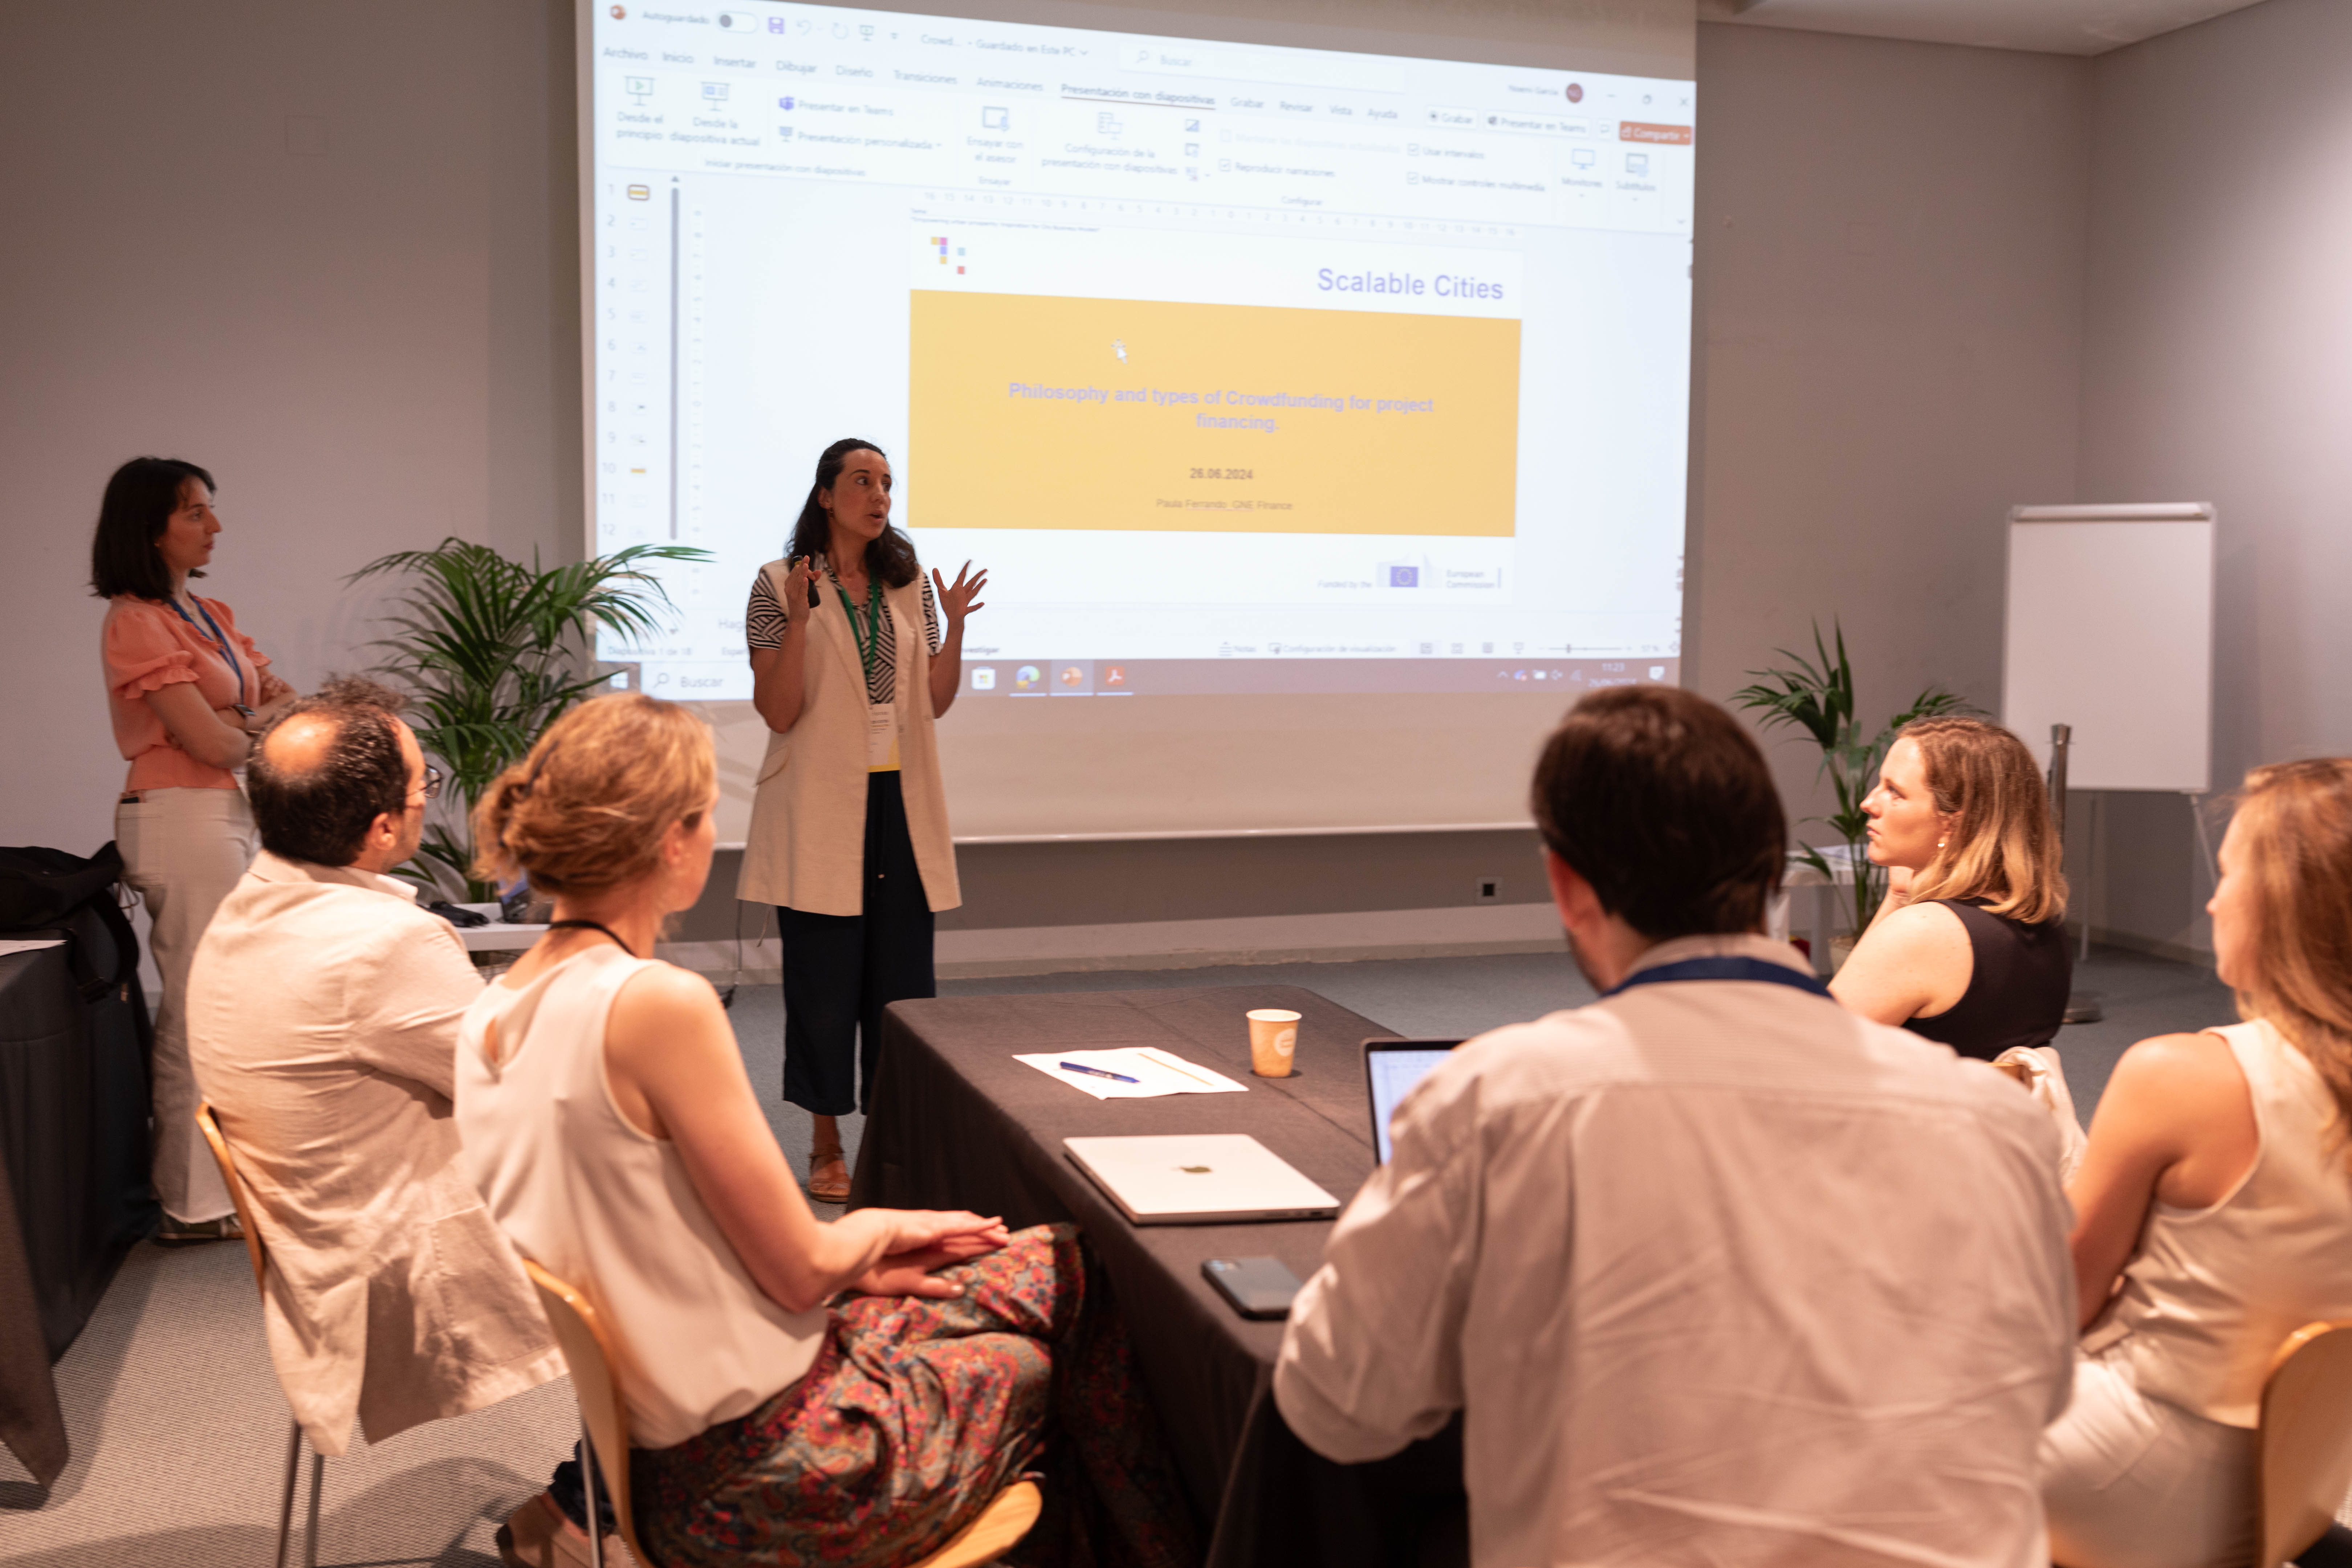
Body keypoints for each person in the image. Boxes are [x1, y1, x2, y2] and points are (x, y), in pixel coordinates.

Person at [1274, 686, 2076, 1567]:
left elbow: (1339, 1405)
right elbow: (2039, 1396)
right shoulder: (2000, 1129)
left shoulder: (1500, 1099)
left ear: (1567, 887)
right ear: (1774, 875)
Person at [454, 694, 1195, 1568]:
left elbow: (657, 1231)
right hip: (779, 1469)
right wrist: (876, 1230)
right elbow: (800, 1273)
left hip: (657, 1458)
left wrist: (859, 1261)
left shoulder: (491, 1012)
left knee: (1056, 1264)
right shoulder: (653, 1004)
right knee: (1060, 1322)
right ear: (673, 842)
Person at [185, 677, 564, 1459]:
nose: (432, 795)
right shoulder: (386, 942)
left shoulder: (245, 909)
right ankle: (585, 1505)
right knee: (679, 1228)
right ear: (384, 826)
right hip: (399, 1262)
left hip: (317, 1237)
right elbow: (526, 1087)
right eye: (424, 782)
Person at [2040, 759, 2352, 1568]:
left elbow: (2058, 1306)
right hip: (2299, 1480)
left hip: (2130, 1476)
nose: (2211, 902)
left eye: (2226, 875)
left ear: (2288, 901)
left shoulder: (2182, 1074)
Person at [739, 438, 987, 1202]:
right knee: (824, 981)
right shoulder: (777, 583)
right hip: (818, 806)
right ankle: (824, 1140)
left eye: (885, 482)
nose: (878, 494)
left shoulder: (906, 585)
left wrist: (952, 624)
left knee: (902, 984)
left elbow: (932, 701)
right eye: (860, 481)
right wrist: (796, 621)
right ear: (824, 496)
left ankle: (892, 1135)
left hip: (899, 807)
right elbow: (777, 709)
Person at [94, 456, 297, 1242]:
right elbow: (215, 737)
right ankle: (188, 1199)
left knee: (233, 1000)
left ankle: (221, 1188)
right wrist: (249, 722)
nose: (215, 526)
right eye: (196, 513)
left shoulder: (208, 612)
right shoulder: (135, 619)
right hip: (180, 814)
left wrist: (242, 723)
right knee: (200, 1002)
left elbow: (289, 705)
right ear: (150, 527)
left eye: (210, 510)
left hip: (229, 810)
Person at [1832, 716, 2072, 1062]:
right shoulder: (2044, 920)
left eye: (1894, 791)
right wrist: (1899, 897)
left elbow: (1813, 1051)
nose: (1868, 803)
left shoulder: (1925, 930)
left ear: (1952, 823)